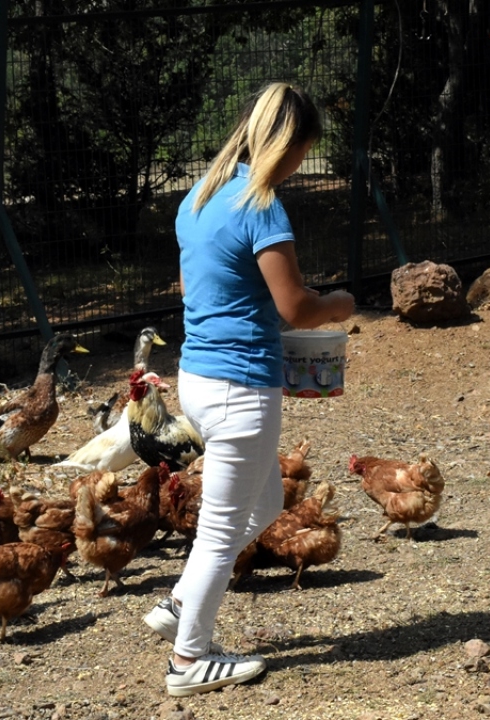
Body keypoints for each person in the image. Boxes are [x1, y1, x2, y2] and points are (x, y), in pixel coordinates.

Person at [143, 82, 355, 697]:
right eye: (300, 156)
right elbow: (296, 306)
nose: (295, 170)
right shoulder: (261, 204)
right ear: (287, 147)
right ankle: (189, 661)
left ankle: (179, 605)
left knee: (262, 509)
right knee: (220, 528)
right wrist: (340, 302)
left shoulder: (200, 196)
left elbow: (191, 290)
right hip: (241, 387)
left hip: (199, 377)